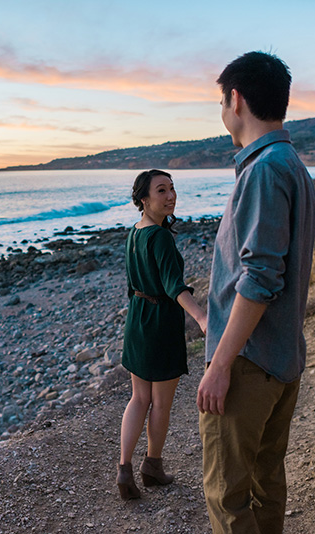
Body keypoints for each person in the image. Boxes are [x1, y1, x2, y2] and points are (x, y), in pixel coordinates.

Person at [196, 51, 315, 533]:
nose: (221, 110)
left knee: (227, 494)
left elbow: (260, 279)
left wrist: (221, 364)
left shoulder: (266, 169)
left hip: (250, 361)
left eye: (220, 100)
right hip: (282, 356)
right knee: (267, 482)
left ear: (236, 99)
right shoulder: (291, 164)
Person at [117, 169, 207, 500]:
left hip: (138, 320)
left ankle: (124, 469)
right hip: (161, 325)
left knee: (138, 398)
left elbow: (131, 284)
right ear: (144, 199)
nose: (170, 196)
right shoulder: (160, 237)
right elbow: (174, 286)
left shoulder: (134, 233)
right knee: (160, 404)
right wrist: (200, 316)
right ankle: (152, 466)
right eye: (161, 190)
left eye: (172, 188)